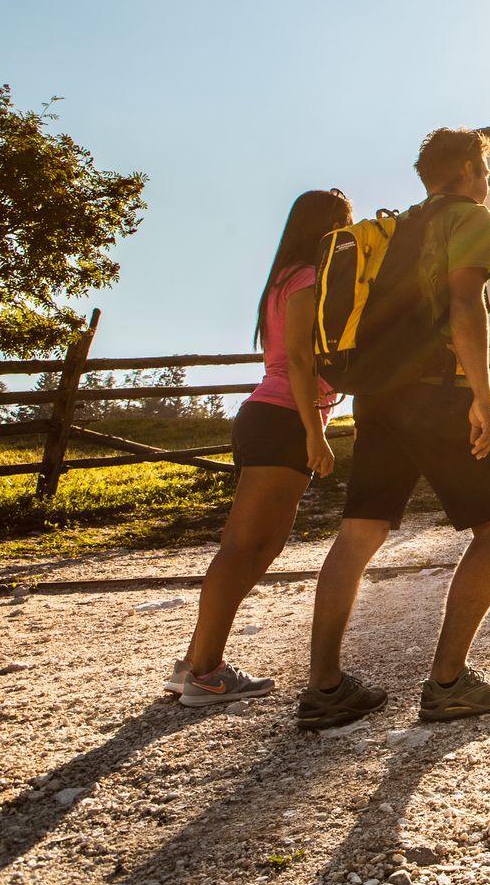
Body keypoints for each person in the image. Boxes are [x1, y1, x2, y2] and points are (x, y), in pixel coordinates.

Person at [297, 128, 490, 731]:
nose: (486, 179)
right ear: (471, 171)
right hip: (437, 392)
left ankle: (324, 688)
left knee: (359, 533)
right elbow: (464, 305)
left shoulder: (397, 226)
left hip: (377, 396)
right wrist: (483, 398)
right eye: (485, 168)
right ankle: (448, 682)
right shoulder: (469, 217)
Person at [167, 188, 353, 706]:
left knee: (261, 547)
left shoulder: (282, 278)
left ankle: (197, 660)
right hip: (284, 418)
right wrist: (317, 432)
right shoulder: (308, 278)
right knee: (243, 545)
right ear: (329, 227)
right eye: (347, 224)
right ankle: (204, 672)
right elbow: (297, 360)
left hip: (267, 416)